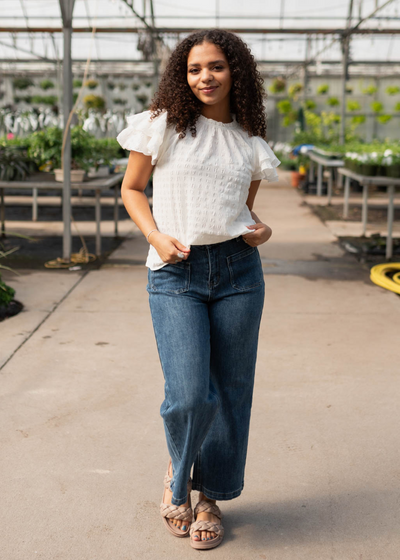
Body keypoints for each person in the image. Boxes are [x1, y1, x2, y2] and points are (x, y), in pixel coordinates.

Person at [116, 28, 280, 550]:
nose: (204, 77)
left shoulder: (250, 143)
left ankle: (208, 495)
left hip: (238, 273)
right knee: (188, 393)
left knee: (231, 392)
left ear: (236, 71)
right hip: (175, 271)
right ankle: (177, 474)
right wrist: (155, 236)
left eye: (215, 67)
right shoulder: (160, 127)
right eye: (193, 69)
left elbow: (244, 211)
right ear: (181, 77)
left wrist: (263, 232)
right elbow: (132, 188)